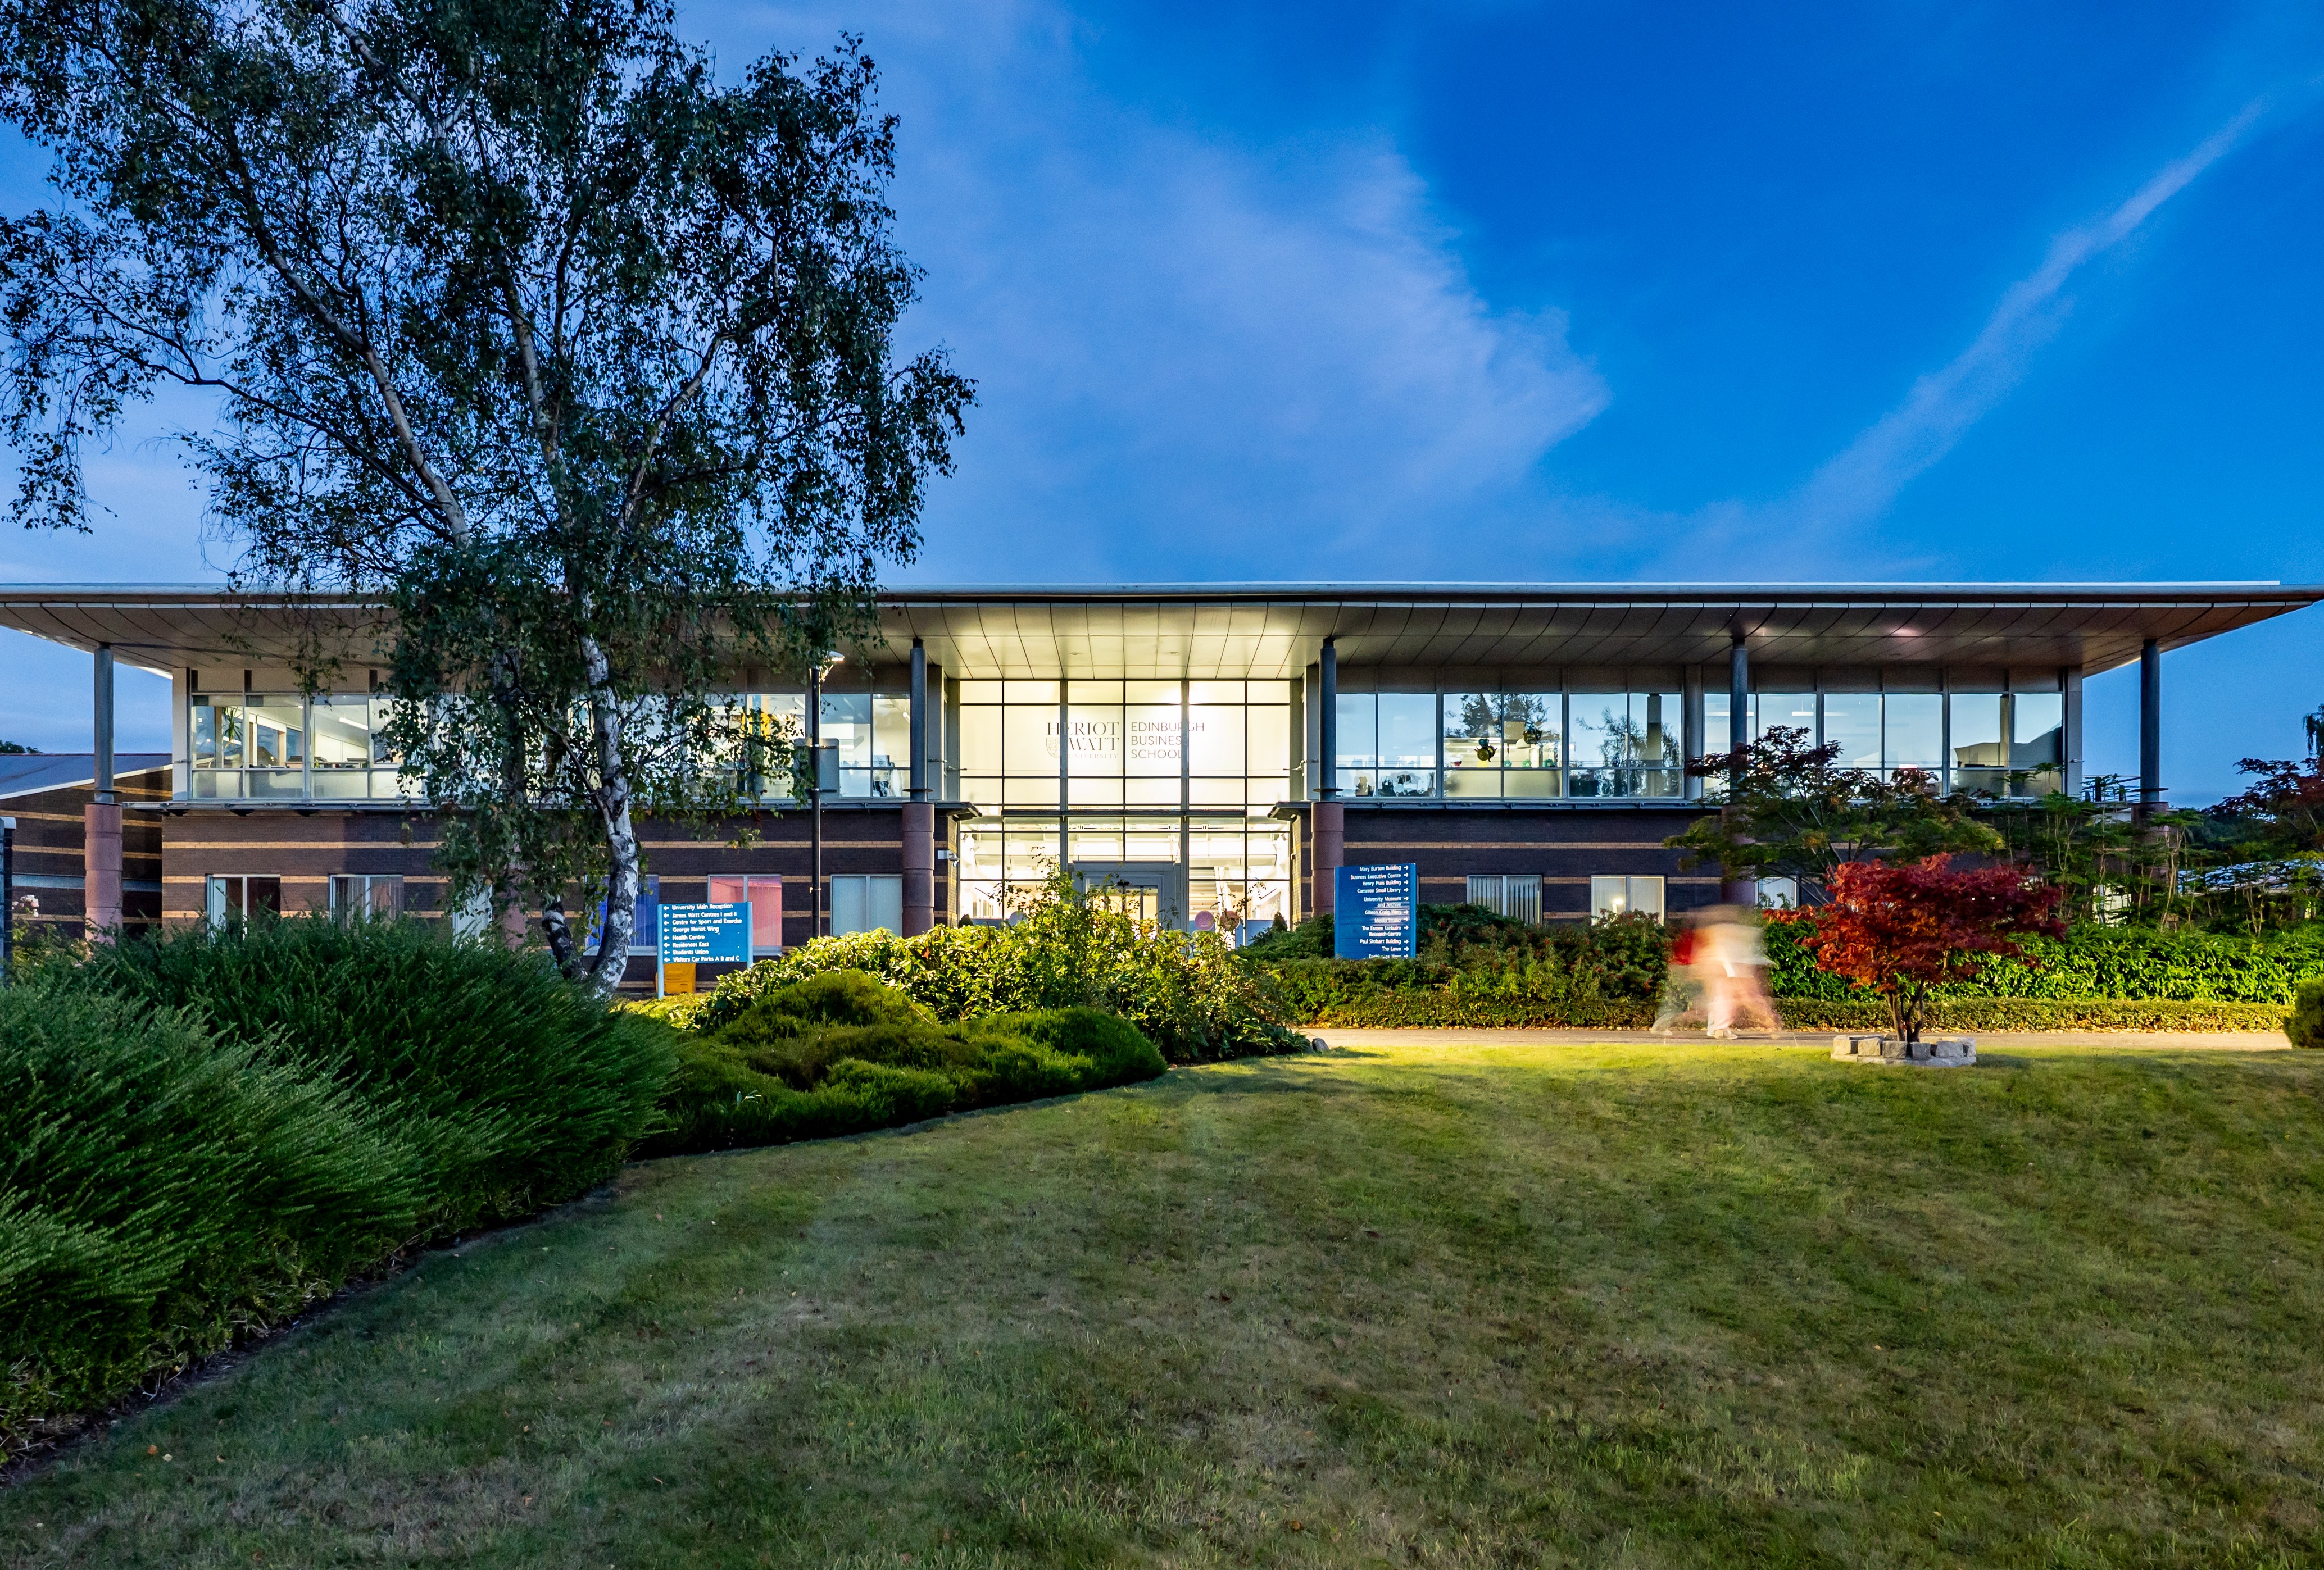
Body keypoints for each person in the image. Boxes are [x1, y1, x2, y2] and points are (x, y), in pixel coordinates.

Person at [1698, 904, 1783, 1039]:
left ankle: (1721, 1028)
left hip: (1726, 971)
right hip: (1738, 972)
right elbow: (1745, 953)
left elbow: (1720, 952)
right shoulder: (1739, 932)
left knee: (1724, 1000)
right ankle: (1771, 1025)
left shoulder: (1717, 931)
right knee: (1751, 1000)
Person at [1651, 913, 1705, 1035]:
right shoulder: (1693, 936)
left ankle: (1661, 1025)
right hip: (1686, 968)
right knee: (1681, 1000)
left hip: (1681, 967)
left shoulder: (1685, 935)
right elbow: (1692, 954)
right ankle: (1660, 1026)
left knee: (1674, 999)